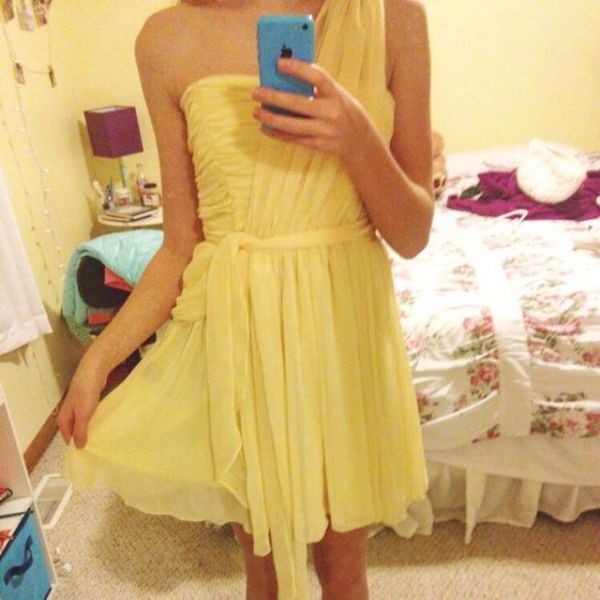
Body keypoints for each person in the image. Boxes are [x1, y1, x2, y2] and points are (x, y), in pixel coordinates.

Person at [57, 0, 433, 598]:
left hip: (342, 334)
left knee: (344, 572)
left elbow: (412, 235)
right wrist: (98, 361)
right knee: (264, 569)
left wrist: (359, 140)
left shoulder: (391, 17)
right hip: (241, 337)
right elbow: (180, 245)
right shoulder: (165, 40)